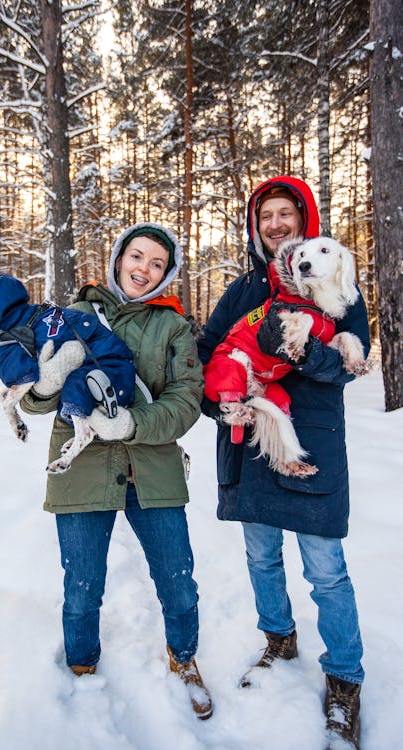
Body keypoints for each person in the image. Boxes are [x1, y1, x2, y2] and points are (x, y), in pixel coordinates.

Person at [197, 177, 369, 749]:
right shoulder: (244, 288)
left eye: (284, 215)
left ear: (304, 222)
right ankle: (279, 638)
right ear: (257, 226)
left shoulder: (338, 283)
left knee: (326, 570)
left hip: (313, 440)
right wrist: (219, 403)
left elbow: (348, 364)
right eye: (265, 216)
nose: (275, 224)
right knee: (261, 556)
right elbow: (207, 356)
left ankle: (344, 677)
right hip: (250, 444)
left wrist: (304, 348)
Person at [21, 222, 213, 720]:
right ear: (118, 258)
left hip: (154, 471)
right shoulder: (74, 317)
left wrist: (131, 422)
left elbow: (186, 401)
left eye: (156, 263)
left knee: (178, 580)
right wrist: (43, 388)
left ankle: (184, 657)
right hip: (81, 471)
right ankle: (83, 666)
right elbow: (38, 402)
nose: (143, 270)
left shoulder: (173, 326)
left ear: (166, 273)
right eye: (137, 256)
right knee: (82, 585)